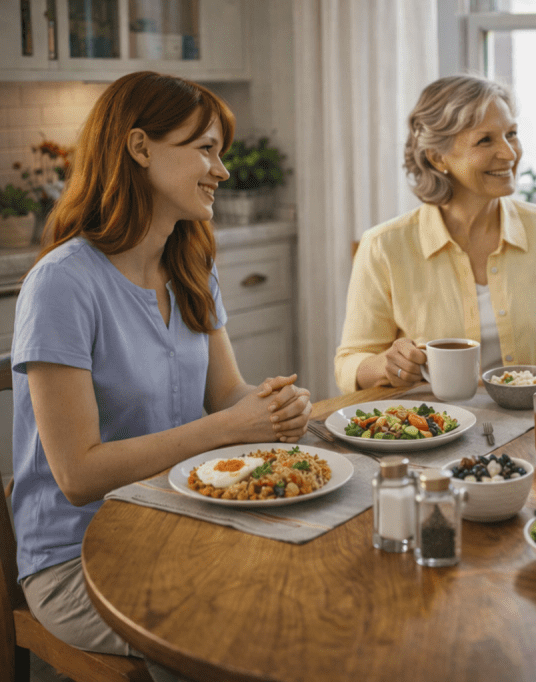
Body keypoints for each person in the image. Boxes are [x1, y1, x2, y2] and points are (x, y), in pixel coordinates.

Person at [10, 71, 313, 670]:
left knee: (303, 584)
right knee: (240, 623)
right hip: (79, 560)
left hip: (179, 523)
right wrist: (228, 430)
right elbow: (77, 474)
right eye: (205, 149)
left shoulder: (191, 262)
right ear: (140, 147)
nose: (221, 172)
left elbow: (227, 394)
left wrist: (272, 407)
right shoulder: (62, 284)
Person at [335, 75, 536, 394]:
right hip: (433, 431)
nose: (509, 153)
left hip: (531, 427)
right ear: (438, 157)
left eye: (511, 134)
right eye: (485, 140)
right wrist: (386, 365)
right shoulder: (383, 246)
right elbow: (350, 362)